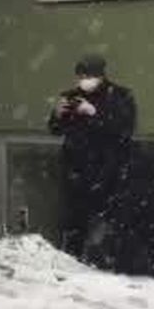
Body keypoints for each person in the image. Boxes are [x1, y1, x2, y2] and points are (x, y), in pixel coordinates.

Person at [47, 54, 136, 261]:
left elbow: (123, 130)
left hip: (109, 173)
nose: (83, 81)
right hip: (76, 170)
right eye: (80, 76)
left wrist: (94, 113)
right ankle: (72, 261)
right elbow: (56, 129)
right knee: (74, 224)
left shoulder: (121, 97)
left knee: (106, 228)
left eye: (87, 76)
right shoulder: (71, 96)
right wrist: (57, 115)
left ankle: (105, 264)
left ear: (101, 76)